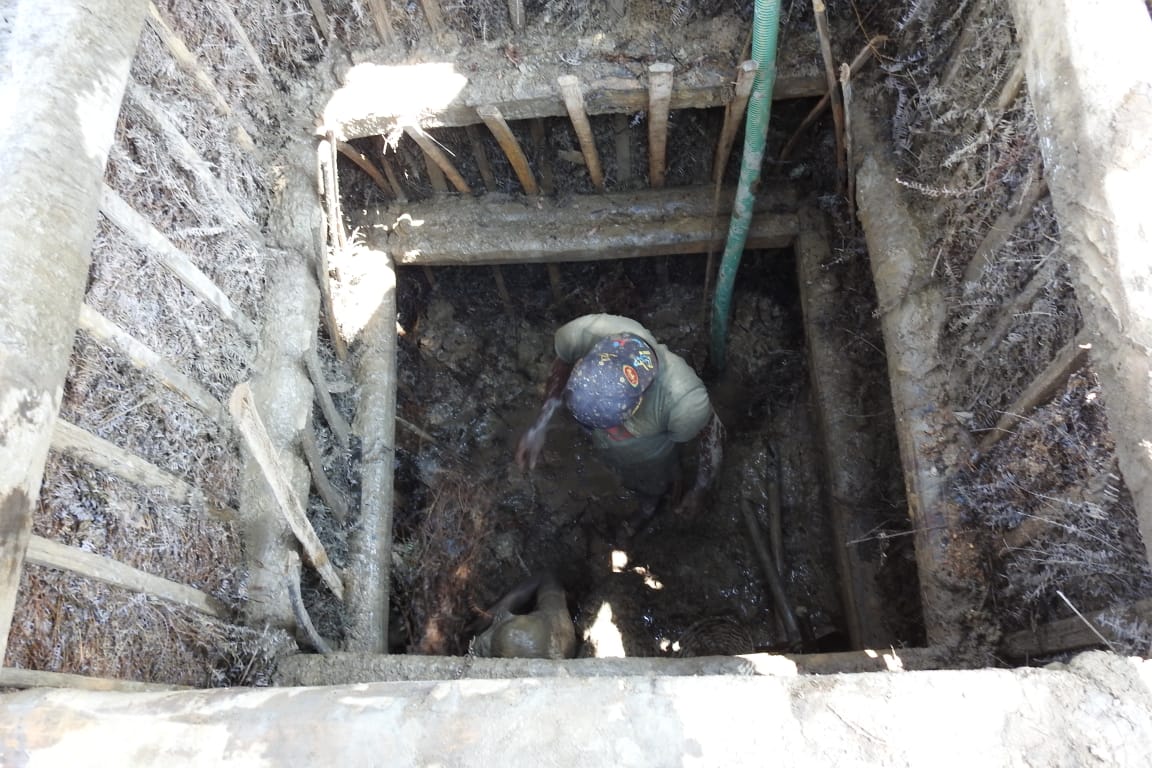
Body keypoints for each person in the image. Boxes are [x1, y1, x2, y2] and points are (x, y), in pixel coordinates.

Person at [517, 313, 723, 534]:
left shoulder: (683, 401)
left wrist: (701, 488)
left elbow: (711, 434)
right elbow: (562, 365)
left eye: (613, 427)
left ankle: (648, 508)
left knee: (653, 481)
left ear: (640, 400)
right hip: (624, 438)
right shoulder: (582, 334)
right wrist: (540, 424)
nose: (608, 433)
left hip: (650, 452)